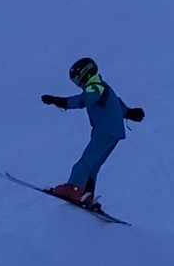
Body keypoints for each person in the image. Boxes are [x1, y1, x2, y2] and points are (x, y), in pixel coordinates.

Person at [40, 57, 144, 208]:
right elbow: (115, 104)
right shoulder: (103, 87)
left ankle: (74, 189)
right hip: (113, 133)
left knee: (85, 162)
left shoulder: (95, 87)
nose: (78, 84)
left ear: (86, 74)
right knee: (94, 165)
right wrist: (129, 112)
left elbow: (83, 100)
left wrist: (58, 101)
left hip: (104, 132)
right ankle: (86, 195)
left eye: (77, 80)